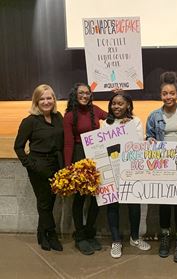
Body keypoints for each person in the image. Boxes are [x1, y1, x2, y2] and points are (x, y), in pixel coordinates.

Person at [145, 71, 177, 263]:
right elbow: (148, 137)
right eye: (165, 93)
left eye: (172, 93)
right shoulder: (153, 116)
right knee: (165, 203)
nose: (168, 97)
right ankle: (165, 237)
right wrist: (149, 139)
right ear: (161, 95)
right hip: (163, 165)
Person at [14, 84, 64, 251]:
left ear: (54, 99)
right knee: (44, 202)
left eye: (49, 98)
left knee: (50, 202)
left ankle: (41, 232)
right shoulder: (29, 122)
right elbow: (18, 146)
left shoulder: (58, 118)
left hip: (56, 165)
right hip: (38, 166)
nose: (46, 101)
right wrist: (30, 165)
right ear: (36, 101)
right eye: (41, 98)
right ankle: (51, 234)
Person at [101, 92, 151, 258]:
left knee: (133, 206)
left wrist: (127, 127)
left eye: (120, 103)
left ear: (128, 105)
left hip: (131, 169)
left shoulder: (135, 121)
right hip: (112, 169)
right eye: (114, 103)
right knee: (112, 205)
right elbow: (102, 145)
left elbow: (138, 143)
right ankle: (116, 241)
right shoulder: (105, 124)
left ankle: (135, 237)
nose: (116, 106)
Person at [63, 83, 108, 255]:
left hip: (96, 155)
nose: (84, 96)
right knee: (80, 199)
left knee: (96, 197)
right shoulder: (69, 116)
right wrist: (69, 168)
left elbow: (111, 116)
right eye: (81, 93)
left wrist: (125, 119)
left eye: (87, 93)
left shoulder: (95, 110)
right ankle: (80, 236)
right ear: (75, 94)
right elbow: (68, 143)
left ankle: (90, 232)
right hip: (79, 156)